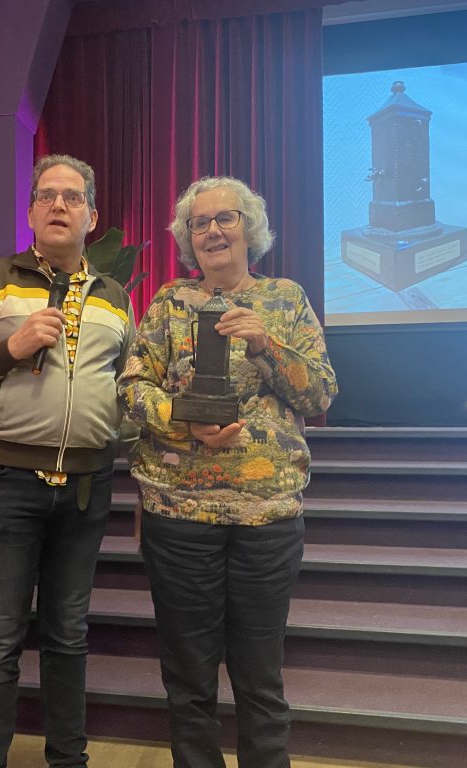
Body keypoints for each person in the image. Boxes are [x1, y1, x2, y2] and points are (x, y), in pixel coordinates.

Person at [118, 176, 338, 767]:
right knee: (188, 678)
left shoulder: (285, 300)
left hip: (267, 518)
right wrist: (182, 423)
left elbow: (320, 393)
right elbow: (132, 389)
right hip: (179, 517)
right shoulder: (169, 303)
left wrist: (266, 346)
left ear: (250, 228)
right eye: (200, 222)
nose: (213, 230)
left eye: (226, 218)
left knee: (260, 677)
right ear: (187, 237)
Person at [0, 154, 136, 767]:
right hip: (6, 482)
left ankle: (69, 761)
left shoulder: (116, 298)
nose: (58, 205)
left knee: (69, 634)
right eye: (47, 195)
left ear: (91, 217)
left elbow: (128, 394)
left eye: (72, 197)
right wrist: (9, 350)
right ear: (30, 213)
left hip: (87, 487)